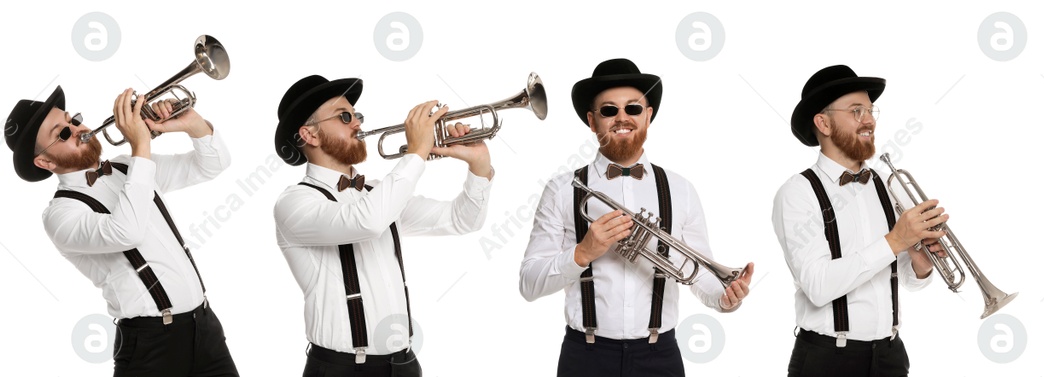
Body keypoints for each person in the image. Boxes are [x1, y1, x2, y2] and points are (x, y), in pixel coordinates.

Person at [519, 58, 754, 377]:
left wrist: (724, 299)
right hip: (585, 357)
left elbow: (698, 272)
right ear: (592, 121)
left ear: (648, 116)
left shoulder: (680, 189)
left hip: (660, 357)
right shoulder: (562, 189)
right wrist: (582, 253)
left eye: (632, 108)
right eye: (608, 110)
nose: (621, 118)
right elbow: (529, 284)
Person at [3, 86, 238, 376]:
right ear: (46, 162)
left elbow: (214, 164)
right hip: (151, 347)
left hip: (206, 328)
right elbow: (126, 232)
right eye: (61, 133)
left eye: (72, 120)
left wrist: (191, 123)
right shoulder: (60, 215)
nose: (76, 129)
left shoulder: (128, 168)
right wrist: (141, 146)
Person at [271, 74, 494, 377]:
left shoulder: (379, 193)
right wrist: (415, 153)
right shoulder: (295, 203)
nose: (358, 124)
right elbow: (367, 221)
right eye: (345, 116)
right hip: (342, 369)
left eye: (357, 116)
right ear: (309, 135)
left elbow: (462, 220)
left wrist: (479, 167)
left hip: (404, 364)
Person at [773, 65, 946, 377]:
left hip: (891, 357)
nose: (869, 121)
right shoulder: (796, 193)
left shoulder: (884, 183)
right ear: (823, 123)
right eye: (856, 111)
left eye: (870, 110)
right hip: (827, 360)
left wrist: (920, 261)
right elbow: (818, 285)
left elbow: (905, 280)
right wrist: (896, 240)